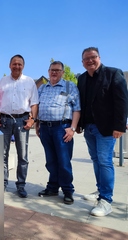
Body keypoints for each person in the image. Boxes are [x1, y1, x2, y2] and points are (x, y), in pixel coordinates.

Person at [77, 47, 128, 216]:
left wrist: (120, 126)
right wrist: (79, 124)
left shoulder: (113, 73)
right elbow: (82, 103)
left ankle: (106, 200)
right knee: (96, 160)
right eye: (86, 59)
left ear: (99, 57)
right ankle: (100, 192)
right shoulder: (82, 78)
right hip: (89, 127)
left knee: (105, 161)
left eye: (93, 57)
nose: (90, 61)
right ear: (82, 62)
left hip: (106, 128)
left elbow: (122, 101)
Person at [0, 54, 39, 198]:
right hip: (4, 121)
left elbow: (34, 103)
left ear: (23, 66)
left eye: (19, 64)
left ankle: (21, 185)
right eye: (14, 64)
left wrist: (32, 120)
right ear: (9, 65)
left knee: (23, 155)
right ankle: (2, 183)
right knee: (2, 154)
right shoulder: (2, 82)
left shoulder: (30, 82)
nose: (17, 66)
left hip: (22, 121)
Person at [36, 61, 80, 205]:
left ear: (62, 72)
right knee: (51, 160)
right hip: (45, 128)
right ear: (48, 71)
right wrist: (37, 123)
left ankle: (68, 190)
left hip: (62, 128)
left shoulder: (69, 86)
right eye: (52, 70)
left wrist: (72, 128)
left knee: (63, 161)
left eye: (57, 70)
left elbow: (77, 109)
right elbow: (37, 106)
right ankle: (53, 187)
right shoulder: (42, 88)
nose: (54, 72)